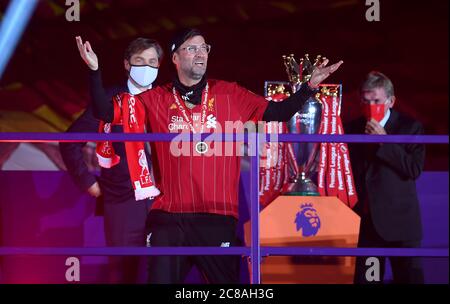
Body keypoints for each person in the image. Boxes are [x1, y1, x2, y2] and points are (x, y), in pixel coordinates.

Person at [83, 28, 343, 284]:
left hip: (217, 217)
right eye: (192, 48)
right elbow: (105, 112)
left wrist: (309, 87)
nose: (201, 54)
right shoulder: (155, 98)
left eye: (204, 48)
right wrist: (95, 71)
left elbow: (279, 112)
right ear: (175, 58)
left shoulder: (230, 93)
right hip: (169, 218)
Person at [59, 37, 164, 283]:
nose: (146, 67)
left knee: (163, 271)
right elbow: (70, 141)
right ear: (127, 64)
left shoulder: (166, 99)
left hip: (164, 201)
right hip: (123, 201)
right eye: (140, 61)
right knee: (123, 273)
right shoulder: (108, 99)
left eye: (152, 62)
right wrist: (88, 182)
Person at [346, 71, 425, 284]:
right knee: (369, 281)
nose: (370, 105)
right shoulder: (351, 127)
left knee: (408, 279)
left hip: (401, 226)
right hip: (368, 228)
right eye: (365, 100)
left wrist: (385, 141)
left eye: (377, 101)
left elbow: (413, 169)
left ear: (390, 101)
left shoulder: (410, 127)